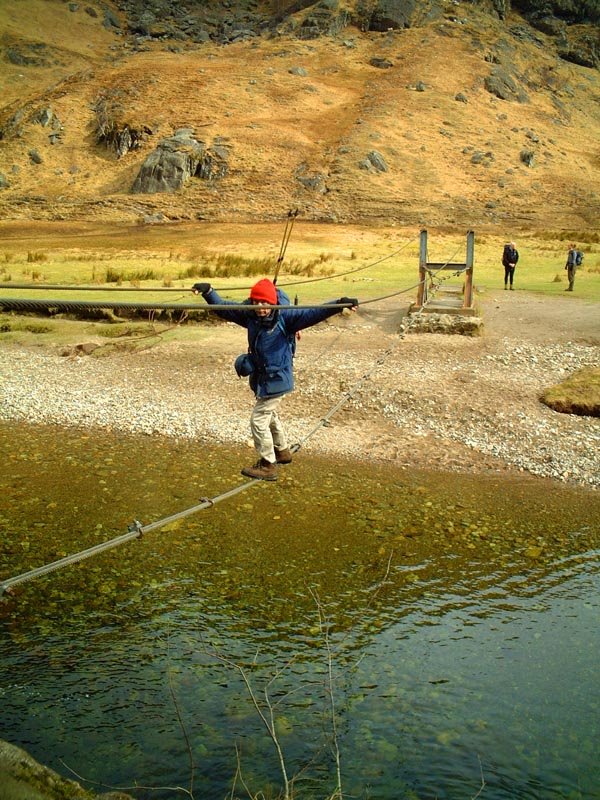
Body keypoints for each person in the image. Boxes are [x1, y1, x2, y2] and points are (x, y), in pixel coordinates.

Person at [192, 278, 358, 481]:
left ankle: (267, 464)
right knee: (269, 414)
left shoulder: (286, 317)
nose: (260, 308)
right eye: (256, 303)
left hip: (278, 378)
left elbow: (315, 312)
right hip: (263, 379)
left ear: (272, 303)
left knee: (258, 419)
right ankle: (282, 451)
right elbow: (226, 308)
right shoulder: (250, 316)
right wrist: (209, 292)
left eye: (265, 304)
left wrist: (340, 302)